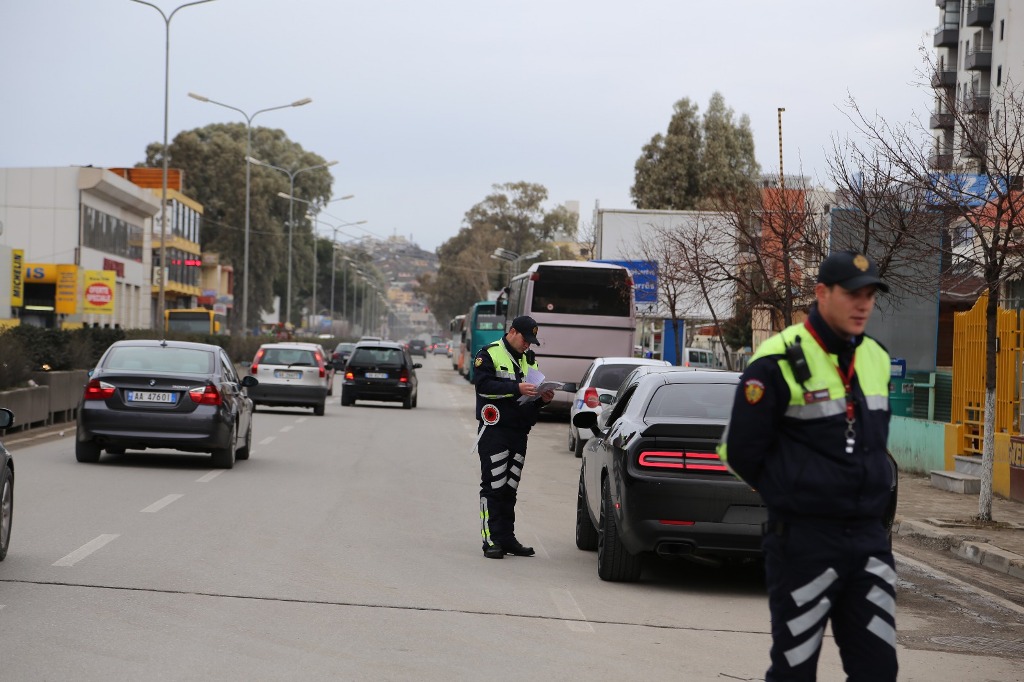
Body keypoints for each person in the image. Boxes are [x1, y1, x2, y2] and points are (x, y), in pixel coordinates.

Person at [718, 251, 897, 681]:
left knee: (878, 671)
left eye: (870, 294)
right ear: (821, 293)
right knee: (794, 670)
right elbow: (740, 450)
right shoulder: (777, 359)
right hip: (804, 544)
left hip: (870, 542)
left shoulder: (876, 356)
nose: (863, 304)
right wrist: (794, 498)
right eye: (853, 294)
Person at [473, 315, 555, 559]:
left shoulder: (529, 359)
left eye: (531, 341)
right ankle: (491, 541)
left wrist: (542, 398)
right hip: (495, 430)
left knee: (510, 488)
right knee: (494, 486)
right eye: (525, 339)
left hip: (519, 431)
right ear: (512, 332)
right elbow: (484, 386)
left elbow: (531, 394)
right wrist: (515, 388)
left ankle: (507, 538)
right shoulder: (488, 354)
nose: (528, 345)